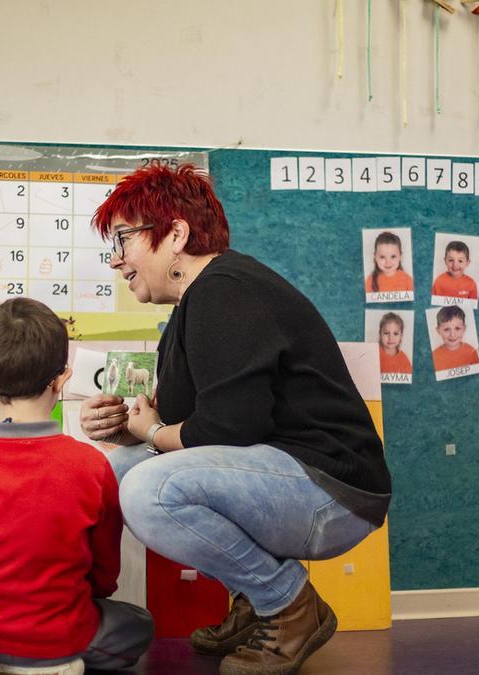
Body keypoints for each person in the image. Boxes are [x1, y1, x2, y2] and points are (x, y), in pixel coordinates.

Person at [80, 164, 390, 675]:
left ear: (175, 233)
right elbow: (194, 425)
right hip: (293, 480)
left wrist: (152, 432)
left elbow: (226, 429)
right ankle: (255, 597)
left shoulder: (225, 290)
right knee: (121, 469)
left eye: (124, 239)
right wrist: (128, 428)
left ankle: (288, 606)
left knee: (148, 489)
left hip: (332, 491)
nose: (116, 260)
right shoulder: (196, 304)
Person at [0, 298, 153, 674]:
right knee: (139, 624)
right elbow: (103, 574)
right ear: (62, 377)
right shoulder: (93, 466)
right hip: (61, 636)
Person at [431, 305, 479, 371]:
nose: (452, 335)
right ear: (438, 330)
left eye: (457, 328)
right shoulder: (434, 356)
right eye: (446, 329)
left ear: (464, 329)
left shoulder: (471, 352)